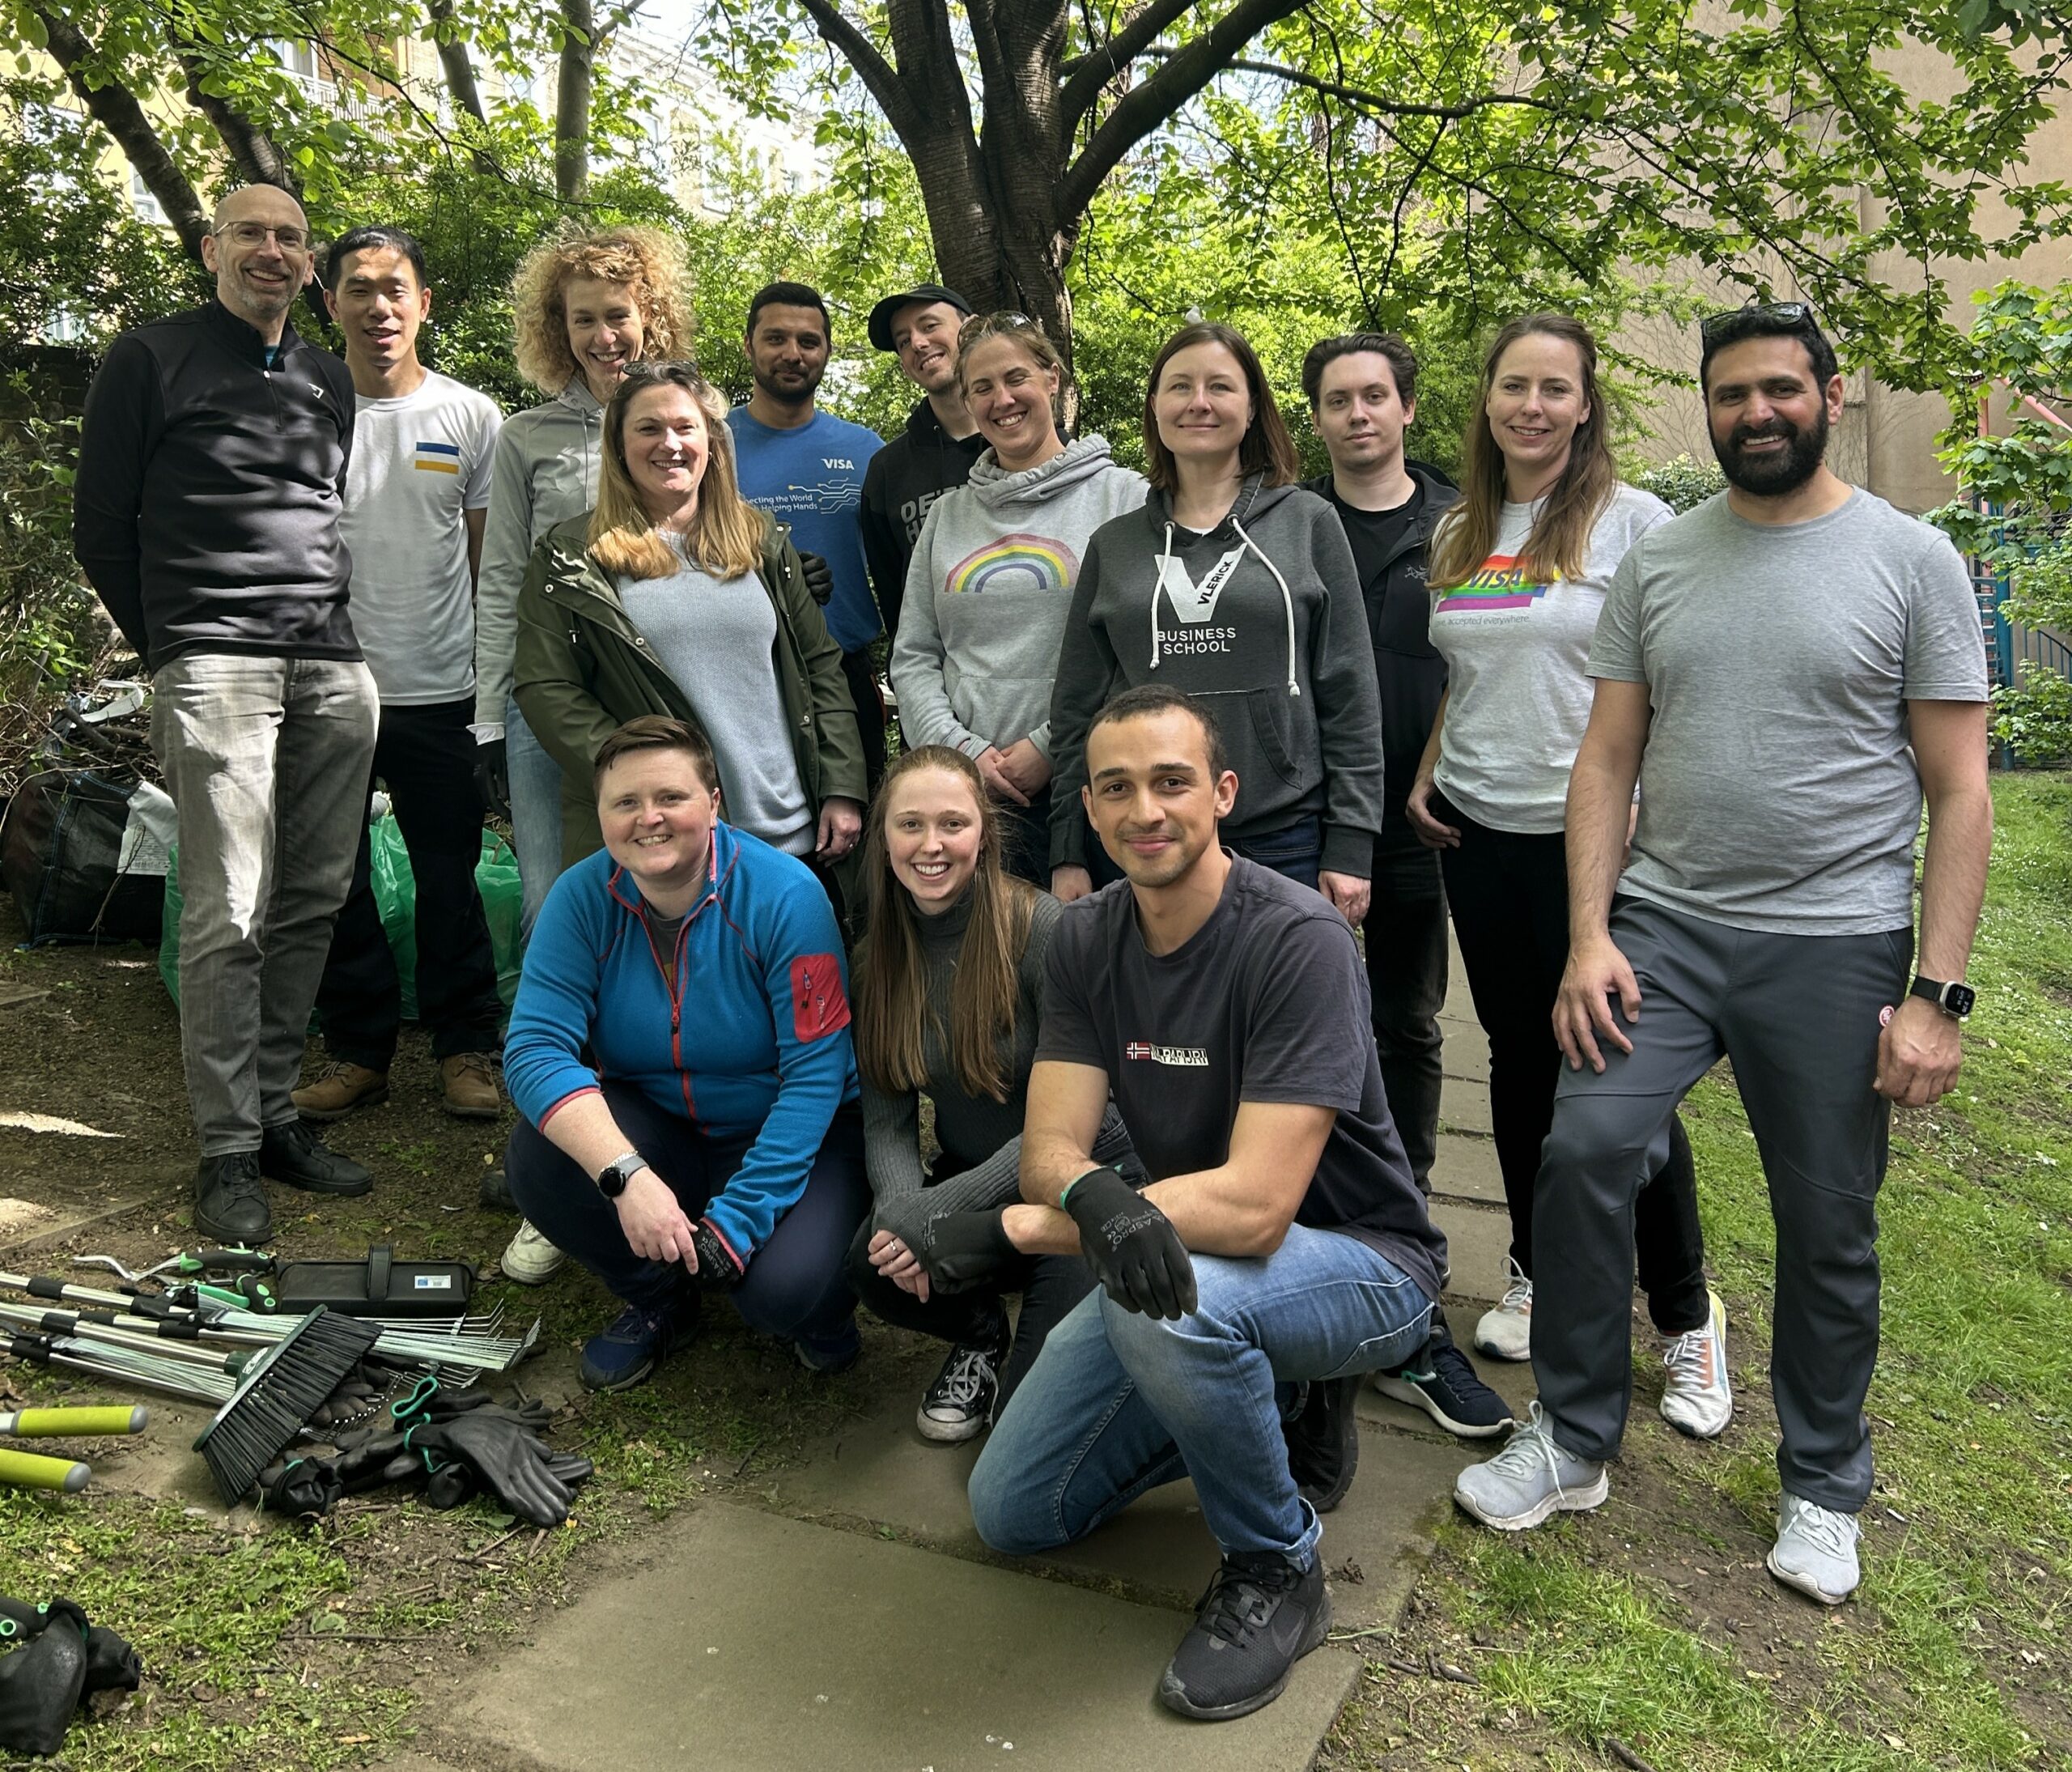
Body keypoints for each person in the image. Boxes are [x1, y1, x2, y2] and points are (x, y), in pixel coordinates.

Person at [1454, 304, 1992, 1610]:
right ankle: (1575, 1435)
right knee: (1584, 1146)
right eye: (1730, 392)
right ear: (1704, 405)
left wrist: (1934, 993)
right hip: (1668, 928)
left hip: (1834, 938)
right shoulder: (1661, 561)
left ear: (1828, 390)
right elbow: (1608, 756)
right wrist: (1589, 934)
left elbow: (1962, 790)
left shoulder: (1914, 560)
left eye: (1778, 389)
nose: (1755, 411)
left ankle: (1822, 1477)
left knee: (1825, 1217)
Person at [968, 685, 1450, 1723]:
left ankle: (1277, 1562)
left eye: (1172, 781)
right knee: (1016, 1510)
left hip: (1368, 1262)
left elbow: (1255, 1209)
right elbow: (1052, 1144)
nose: (1146, 810)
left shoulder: (1298, 938)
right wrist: (1096, 1196)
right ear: (1090, 813)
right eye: (1117, 788)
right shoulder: (1085, 938)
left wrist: (1069, 1221)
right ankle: (1265, 1394)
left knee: (1175, 1301)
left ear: (1222, 792)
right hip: (1189, 1249)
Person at [1405, 314, 1726, 1441]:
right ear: (1487, 401)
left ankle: (1685, 1312)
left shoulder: (1639, 525)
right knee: (1516, 1057)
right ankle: (1540, 1270)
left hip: (1593, 838)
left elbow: (1681, 674)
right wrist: (1432, 766)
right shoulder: (1462, 525)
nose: (1532, 406)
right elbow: (1475, 662)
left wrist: (1652, 799)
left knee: (1615, 1073)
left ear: (1585, 405)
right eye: (1513, 387)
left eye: (1555, 388)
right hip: (1480, 836)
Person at [507, 361, 868, 1284]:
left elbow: (818, 667)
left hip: (779, 826)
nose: (670, 444)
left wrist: (840, 784)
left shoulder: (758, 540)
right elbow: (546, 687)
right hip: (666, 840)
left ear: (713, 443)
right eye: (647, 430)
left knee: (795, 1042)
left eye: (686, 428)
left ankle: (792, 1201)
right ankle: (624, 1183)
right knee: (643, 1021)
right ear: (617, 448)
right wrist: (645, 784)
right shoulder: (573, 552)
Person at [72, 184, 377, 1245]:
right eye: (251, 232)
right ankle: (226, 1150)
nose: (272, 250)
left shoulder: (326, 374)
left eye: (291, 237)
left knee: (309, 899)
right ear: (211, 247)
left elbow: (322, 509)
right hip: (215, 662)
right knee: (228, 908)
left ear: (308, 267)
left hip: (331, 663)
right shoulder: (149, 359)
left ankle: (276, 1115)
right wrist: (173, 650)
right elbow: (101, 526)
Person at [502, 716, 871, 1387]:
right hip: (660, 1131)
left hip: (788, 1130)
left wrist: (741, 1217)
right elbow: (533, 1047)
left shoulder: (787, 895)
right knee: (539, 1155)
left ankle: (818, 1308)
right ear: (604, 814)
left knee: (783, 1294)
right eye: (626, 803)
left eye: (670, 797)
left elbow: (816, 1078)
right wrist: (625, 1175)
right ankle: (660, 1296)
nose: (650, 819)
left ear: (713, 803)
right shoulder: (581, 898)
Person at [1300, 331, 1510, 1441]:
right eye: (1337, 400)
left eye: (1374, 396)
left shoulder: (1462, 524)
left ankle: (1408, 1200)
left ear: (1407, 406)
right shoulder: (1291, 522)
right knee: (1309, 1024)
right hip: (1313, 813)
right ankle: (1313, 1197)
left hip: (1425, 816)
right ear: (1318, 418)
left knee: (1408, 1020)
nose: (1358, 415)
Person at [1046, 322, 1385, 924]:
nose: (1199, 402)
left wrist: (1352, 841)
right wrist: (1069, 846)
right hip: (1143, 839)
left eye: (1220, 386)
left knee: (1286, 1014)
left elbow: (1350, 689)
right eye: (1180, 386)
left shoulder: (1308, 522)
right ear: (1155, 408)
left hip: (1284, 835)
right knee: (1153, 1015)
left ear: (1252, 407)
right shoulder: (1114, 545)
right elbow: (1076, 707)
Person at [847, 746, 1136, 1440]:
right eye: (910, 825)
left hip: (1078, 1189)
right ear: (884, 834)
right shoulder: (874, 957)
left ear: (985, 832)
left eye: (953, 823)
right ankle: (978, 1334)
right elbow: (887, 1122)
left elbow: (1102, 1119)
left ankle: (1062, 1331)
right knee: (870, 1261)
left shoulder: (1042, 931)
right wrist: (899, 1217)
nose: (931, 845)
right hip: (979, 1188)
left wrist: (937, 1207)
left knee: (1023, 1433)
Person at [290, 224, 506, 1126]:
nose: (379, 306)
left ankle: (466, 1049)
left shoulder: (470, 416)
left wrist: (488, 687)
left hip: (438, 689)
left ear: (424, 303)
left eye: (396, 288)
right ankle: (358, 1050)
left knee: (449, 878)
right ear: (329, 301)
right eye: (358, 288)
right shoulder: (296, 408)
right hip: (324, 686)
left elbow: (490, 563)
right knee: (331, 878)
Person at [474, 226, 693, 933]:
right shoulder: (524, 437)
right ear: (558, 329)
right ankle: (548, 1043)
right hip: (550, 688)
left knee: (668, 884)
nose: (605, 336)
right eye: (584, 318)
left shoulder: (690, 424)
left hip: (661, 681)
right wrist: (488, 713)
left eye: (618, 315)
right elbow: (502, 572)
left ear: (649, 316)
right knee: (553, 895)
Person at [890, 313, 1147, 881]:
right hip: (968, 802)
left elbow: (1141, 651)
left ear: (1052, 378)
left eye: (1016, 378)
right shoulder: (946, 517)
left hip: (1089, 792)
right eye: (981, 387)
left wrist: (1051, 746)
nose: (1001, 399)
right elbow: (913, 655)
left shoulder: (1126, 499)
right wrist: (961, 752)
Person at [726, 283, 888, 793]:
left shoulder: (866, 450)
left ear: (827, 351)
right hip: (749, 673)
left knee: (862, 835)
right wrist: (772, 573)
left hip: (847, 669)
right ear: (749, 345)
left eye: (808, 341)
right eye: (776, 339)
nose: (792, 354)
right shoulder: (710, 446)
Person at [860, 282, 982, 637]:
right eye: (903, 341)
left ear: (970, 329)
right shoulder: (887, 471)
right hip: (936, 679)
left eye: (929, 326)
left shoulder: (1025, 444)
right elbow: (893, 597)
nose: (917, 343)